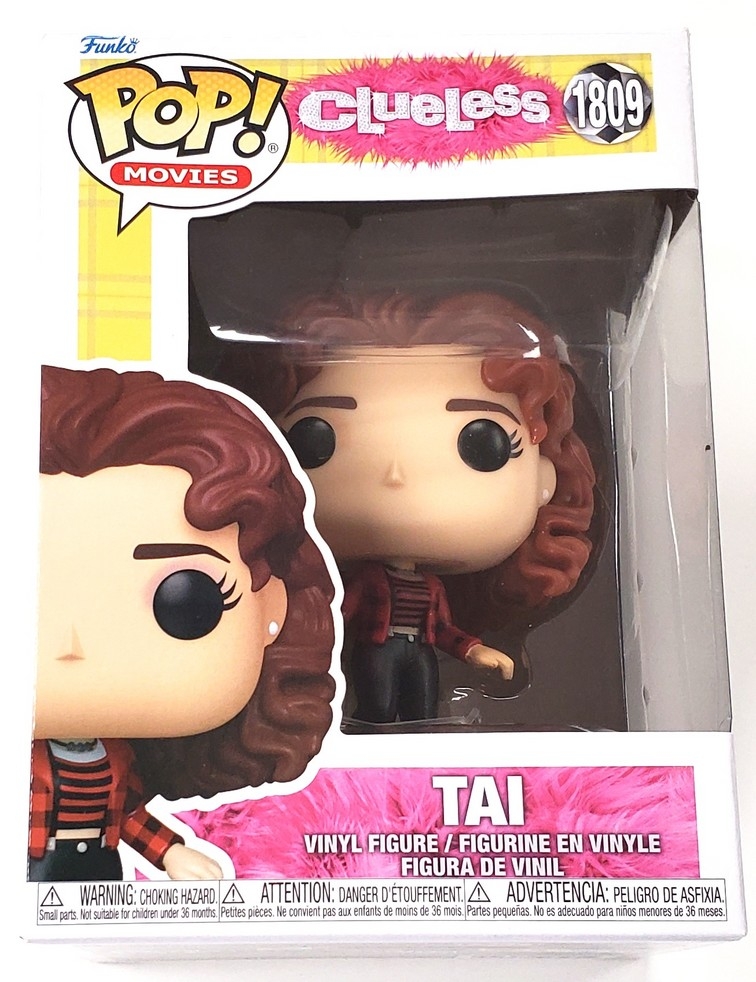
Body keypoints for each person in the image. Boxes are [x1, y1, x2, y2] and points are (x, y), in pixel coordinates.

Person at [30, 365, 336, 880]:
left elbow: (129, 817)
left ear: (272, 607)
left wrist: (173, 853)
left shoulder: (115, 760)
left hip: (98, 868)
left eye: (186, 602)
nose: (71, 644)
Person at [258, 291, 598, 723]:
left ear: (545, 479)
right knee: (379, 707)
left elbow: (444, 630)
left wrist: (475, 651)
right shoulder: (365, 582)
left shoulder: (434, 589)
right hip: (376, 652)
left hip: (417, 652)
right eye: (313, 439)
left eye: (484, 445)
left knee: (421, 705)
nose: (395, 475)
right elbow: (338, 617)